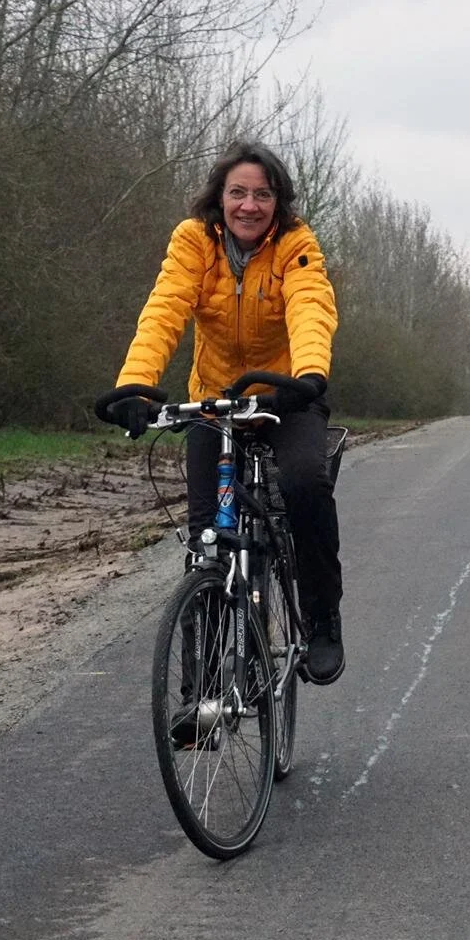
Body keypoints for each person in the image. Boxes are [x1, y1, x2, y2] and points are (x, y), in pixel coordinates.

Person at [102, 141, 345, 685]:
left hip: (288, 393)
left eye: (262, 194)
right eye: (239, 192)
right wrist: (136, 385)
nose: (249, 205)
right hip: (215, 399)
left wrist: (308, 376)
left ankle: (322, 616)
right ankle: (201, 684)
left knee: (306, 483)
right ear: (220, 196)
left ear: (277, 202)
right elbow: (166, 306)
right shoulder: (194, 241)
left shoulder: (296, 244)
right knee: (206, 535)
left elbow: (311, 307)